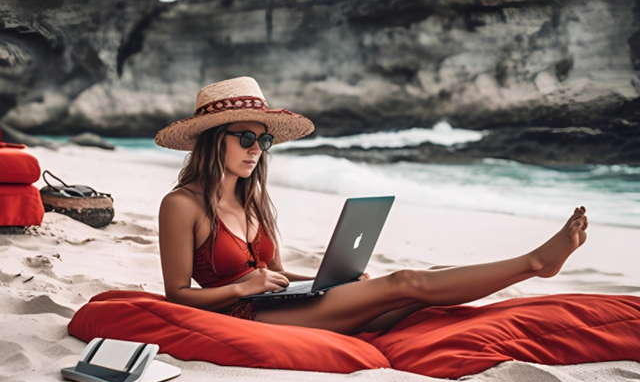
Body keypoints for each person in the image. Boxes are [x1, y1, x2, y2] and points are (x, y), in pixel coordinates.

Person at [156, 77, 588, 335]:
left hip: (282, 304)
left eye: (264, 140)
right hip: (245, 315)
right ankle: (535, 263)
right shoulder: (182, 205)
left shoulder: (253, 200)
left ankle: (534, 264)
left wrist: (331, 280)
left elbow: (277, 277)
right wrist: (240, 288)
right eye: (246, 138)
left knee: (430, 278)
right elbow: (176, 296)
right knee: (406, 281)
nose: (257, 149)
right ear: (215, 140)